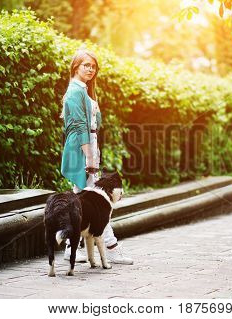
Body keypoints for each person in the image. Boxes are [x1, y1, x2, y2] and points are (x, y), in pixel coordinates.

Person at [60, 49, 133, 265]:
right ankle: (110, 247)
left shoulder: (84, 90)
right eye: (86, 65)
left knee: (83, 200)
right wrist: (89, 157)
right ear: (75, 67)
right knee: (97, 201)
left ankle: (69, 245)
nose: (90, 69)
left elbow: (95, 124)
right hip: (81, 149)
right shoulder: (75, 91)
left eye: (93, 66)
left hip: (89, 145)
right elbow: (80, 126)